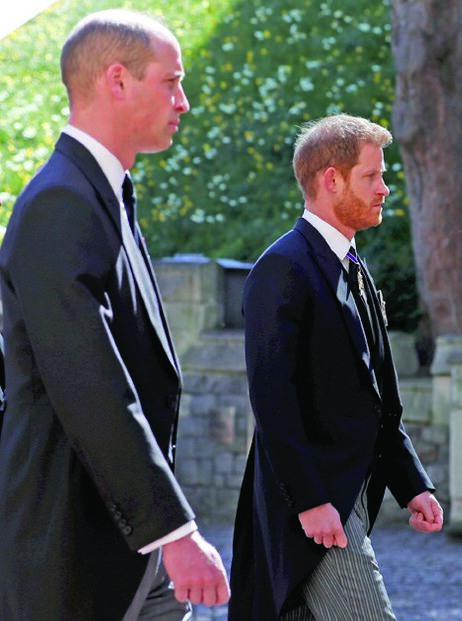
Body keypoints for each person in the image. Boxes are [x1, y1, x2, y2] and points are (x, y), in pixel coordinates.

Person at [0, 10, 230, 620]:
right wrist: (174, 532)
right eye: (171, 82)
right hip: (72, 547)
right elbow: (90, 384)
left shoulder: (105, 195)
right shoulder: (60, 203)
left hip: (128, 545)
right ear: (118, 80)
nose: (183, 101)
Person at [229, 114, 443, 621]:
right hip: (316, 509)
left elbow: (376, 402)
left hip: (347, 499)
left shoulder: (356, 270)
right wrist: (310, 501)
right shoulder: (282, 269)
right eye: (371, 176)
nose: (384, 189)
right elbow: (273, 400)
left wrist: (412, 483)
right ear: (331, 179)